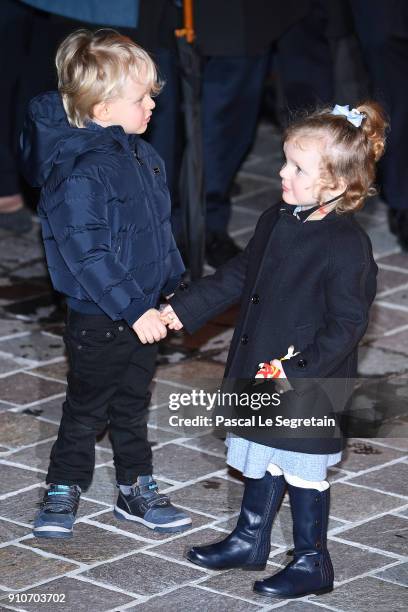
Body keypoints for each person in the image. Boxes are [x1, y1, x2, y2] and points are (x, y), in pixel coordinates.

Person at [160, 101, 386, 597]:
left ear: (336, 185)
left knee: (301, 469)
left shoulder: (347, 247)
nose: (281, 172)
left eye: (297, 168)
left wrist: (296, 370)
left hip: (306, 381)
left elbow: (347, 325)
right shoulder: (279, 217)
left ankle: (312, 562)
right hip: (261, 365)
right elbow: (243, 274)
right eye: (285, 160)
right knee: (263, 452)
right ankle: (249, 538)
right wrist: (187, 307)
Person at [19, 29, 191, 539]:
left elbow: (160, 230)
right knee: (87, 407)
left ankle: (135, 488)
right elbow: (86, 252)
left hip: (144, 308)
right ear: (101, 110)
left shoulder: (143, 156)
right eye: (142, 97)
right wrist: (131, 309)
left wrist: (172, 288)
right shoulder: (78, 173)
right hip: (100, 314)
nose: (153, 104)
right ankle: (63, 487)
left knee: (133, 402)